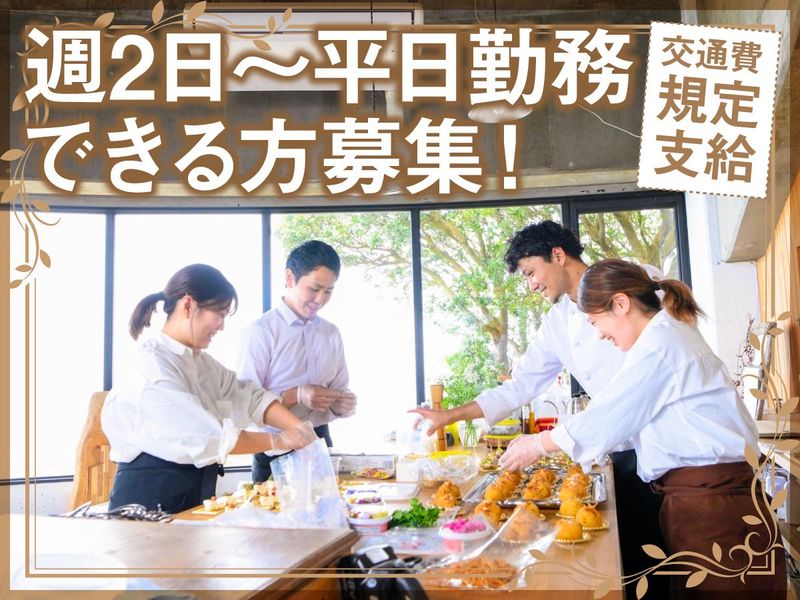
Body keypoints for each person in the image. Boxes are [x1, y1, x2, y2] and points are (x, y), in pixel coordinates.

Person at [499, 259, 786, 598]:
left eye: (595, 322)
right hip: (701, 498)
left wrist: (538, 444)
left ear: (621, 304)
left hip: (714, 505)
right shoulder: (664, 334)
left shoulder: (661, 343)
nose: (599, 334)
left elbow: (611, 414)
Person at [410, 220, 666, 598]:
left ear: (558, 255)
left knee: (655, 561)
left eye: (531, 272)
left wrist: (542, 444)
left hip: (660, 444)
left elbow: (652, 370)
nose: (531, 285)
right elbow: (520, 385)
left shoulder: (628, 281)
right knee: (628, 561)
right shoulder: (557, 323)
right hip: (615, 449)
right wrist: (451, 415)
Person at [102, 264, 318, 514]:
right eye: (220, 314)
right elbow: (208, 436)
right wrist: (280, 440)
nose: (222, 326)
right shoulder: (153, 367)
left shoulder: (201, 363)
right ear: (188, 305)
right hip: (146, 504)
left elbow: (251, 398)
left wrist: (302, 430)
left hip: (192, 499)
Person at [238, 240, 356, 483]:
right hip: (275, 448)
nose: (320, 299)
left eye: (329, 291)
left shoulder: (331, 333)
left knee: (329, 507)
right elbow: (245, 406)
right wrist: (295, 396)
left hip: (320, 440)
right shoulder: (260, 332)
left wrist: (343, 405)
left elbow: (339, 390)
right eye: (314, 288)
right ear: (290, 278)